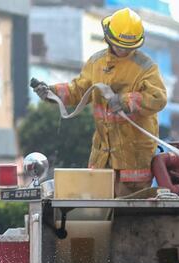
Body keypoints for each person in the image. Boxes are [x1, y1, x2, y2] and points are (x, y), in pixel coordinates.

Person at [33, 7, 167, 197]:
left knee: (129, 211)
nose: (123, 50)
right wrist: (52, 93)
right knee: (98, 208)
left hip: (133, 162)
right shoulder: (96, 63)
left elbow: (158, 98)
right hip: (102, 158)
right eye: (120, 45)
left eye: (128, 47)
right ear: (108, 38)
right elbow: (78, 90)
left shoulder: (146, 67)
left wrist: (126, 100)